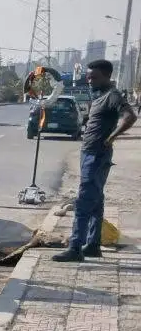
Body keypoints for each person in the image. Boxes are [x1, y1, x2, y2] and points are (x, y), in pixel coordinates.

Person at [53, 59, 137, 261]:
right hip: (89, 153)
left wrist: (111, 137)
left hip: (97, 155)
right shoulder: (100, 96)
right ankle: (92, 245)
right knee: (96, 201)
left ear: (107, 76)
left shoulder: (112, 95)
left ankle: (75, 248)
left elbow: (130, 116)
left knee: (83, 201)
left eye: (94, 77)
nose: (90, 80)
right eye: (88, 77)